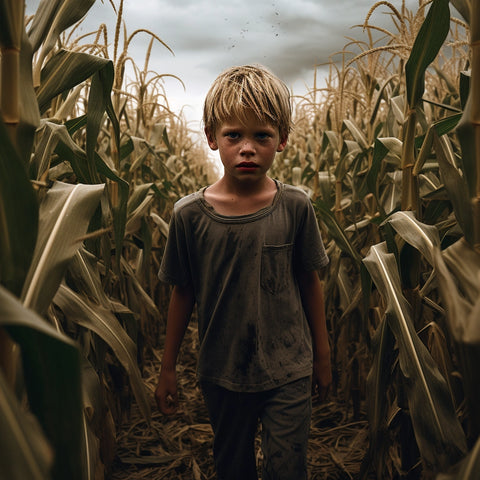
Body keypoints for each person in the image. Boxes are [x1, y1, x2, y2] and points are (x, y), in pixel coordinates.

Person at [155, 64, 331, 480]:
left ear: (282, 141)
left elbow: (310, 281)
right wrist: (167, 368)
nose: (247, 148)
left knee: (288, 468)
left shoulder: (295, 207)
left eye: (262, 136)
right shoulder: (189, 215)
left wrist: (322, 357)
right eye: (234, 135)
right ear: (213, 138)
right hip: (222, 372)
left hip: (288, 368)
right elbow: (183, 293)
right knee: (232, 467)